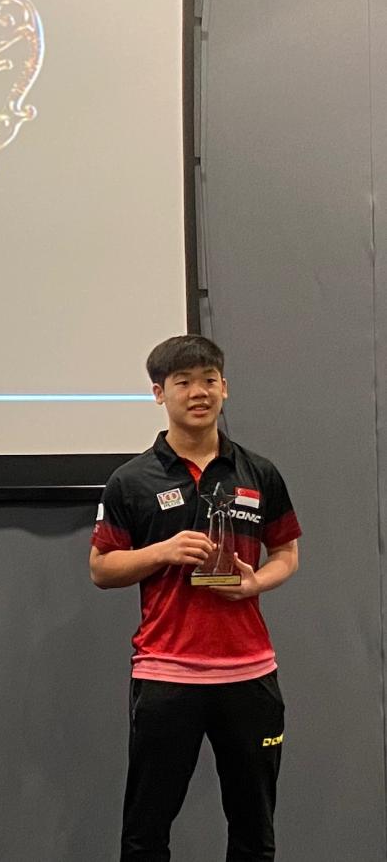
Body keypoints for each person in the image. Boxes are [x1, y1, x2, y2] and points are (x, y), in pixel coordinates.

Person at [89, 335, 301, 861]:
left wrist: (254, 583)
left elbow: (287, 554)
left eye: (208, 379)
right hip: (166, 675)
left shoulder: (259, 472)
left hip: (249, 676)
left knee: (255, 833)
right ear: (159, 393)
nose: (198, 392)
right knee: (146, 833)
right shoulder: (130, 479)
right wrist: (162, 551)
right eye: (182, 382)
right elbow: (101, 568)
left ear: (225, 387)